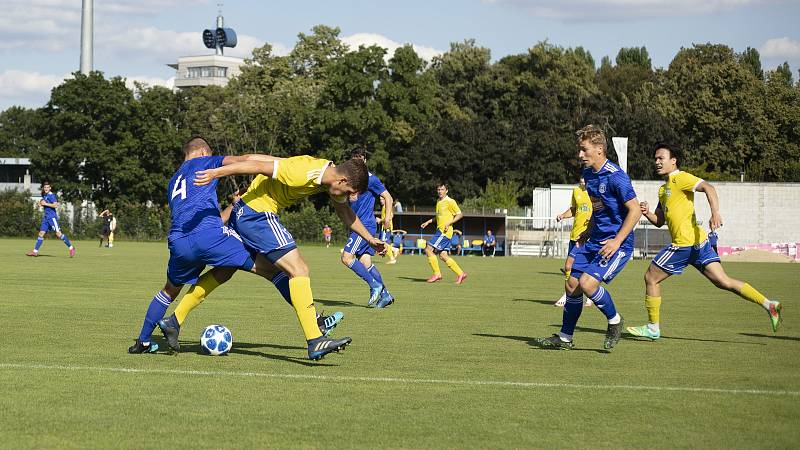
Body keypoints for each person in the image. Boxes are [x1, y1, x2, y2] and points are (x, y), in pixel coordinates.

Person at [129, 137, 345, 359]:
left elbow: (203, 212)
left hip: (179, 243)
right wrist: (281, 164)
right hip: (210, 238)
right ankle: (315, 326)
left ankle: (144, 340)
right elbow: (245, 160)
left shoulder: (173, 181)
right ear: (204, 152)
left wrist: (235, 203)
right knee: (276, 270)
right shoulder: (205, 162)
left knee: (170, 290)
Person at [159, 151, 384, 360]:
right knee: (299, 269)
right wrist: (216, 173)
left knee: (228, 270)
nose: (349, 198)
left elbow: (346, 213)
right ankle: (315, 339)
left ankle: (174, 320)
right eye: (349, 192)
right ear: (342, 181)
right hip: (257, 215)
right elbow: (257, 165)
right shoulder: (303, 173)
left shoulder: (326, 172)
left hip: (246, 212)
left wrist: (370, 239)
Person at [627, 142, 782, 340]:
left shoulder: (680, 178)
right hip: (700, 243)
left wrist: (715, 213)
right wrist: (647, 212)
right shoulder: (662, 190)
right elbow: (659, 221)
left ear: (673, 161)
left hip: (685, 244)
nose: (657, 162)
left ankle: (653, 328)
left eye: (661, 158)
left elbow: (708, 187)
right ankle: (769, 305)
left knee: (651, 278)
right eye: (655, 159)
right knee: (723, 281)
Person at [535, 125, 640, 350]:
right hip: (595, 239)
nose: (579, 155)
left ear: (600, 149)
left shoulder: (617, 177)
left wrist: (617, 241)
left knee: (587, 283)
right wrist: (588, 230)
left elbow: (635, 211)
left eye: (584, 150)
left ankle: (615, 321)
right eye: (579, 150)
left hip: (617, 244)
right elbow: (598, 208)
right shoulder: (588, 175)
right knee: (572, 284)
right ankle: (565, 338)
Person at [340, 148, 395, 307]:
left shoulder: (370, 179)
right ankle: (385, 295)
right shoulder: (348, 179)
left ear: (365, 161)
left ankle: (374, 286)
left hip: (365, 226)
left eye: (361, 158)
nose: (358, 161)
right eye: (355, 158)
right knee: (365, 262)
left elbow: (388, 197)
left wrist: (387, 217)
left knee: (346, 257)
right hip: (356, 226)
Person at [554, 177, 593, 307]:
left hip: (587, 237)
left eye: (585, 179)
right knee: (576, 268)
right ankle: (589, 295)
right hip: (575, 235)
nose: (583, 181)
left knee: (570, 266)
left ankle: (568, 296)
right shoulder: (576, 191)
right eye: (581, 178)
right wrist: (562, 215)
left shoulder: (596, 192)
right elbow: (574, 209)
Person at [421, 184, 467, 284]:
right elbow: (438, 217)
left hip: (444, 232)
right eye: (438, 189)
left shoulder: (450, 201)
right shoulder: (438, 202)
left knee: (428, 249)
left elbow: (460, 214)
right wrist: (428, 222)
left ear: (447, 191)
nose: (440, 191)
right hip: (442, 231)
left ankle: (437, 274)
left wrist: (449, 223)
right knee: (443, 255)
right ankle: (461, 274)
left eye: (442, 189)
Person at [26, 181, 75, 258]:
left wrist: (45, 204)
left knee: (58, 234)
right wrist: (41, 204)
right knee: (41, 233)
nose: (46, 188)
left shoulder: (51, 195)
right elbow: (44, 203)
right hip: (46, 218)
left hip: (52, 218)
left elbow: (55, 205)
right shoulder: (45, 195)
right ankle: (35, 252)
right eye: (45, 187)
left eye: (47, 187)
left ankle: (71, 248)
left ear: (50, 188)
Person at [378, 195, 397, 264]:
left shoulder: (387, 206)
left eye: (382, 199)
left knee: (383, 243)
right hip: (384, 227)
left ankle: (392, 259)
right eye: (380, 199)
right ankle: (394, 249)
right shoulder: (384, 207)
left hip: (387, 227)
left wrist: (380, 220)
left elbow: (390, 216)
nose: (381, 201)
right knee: (382, 242)